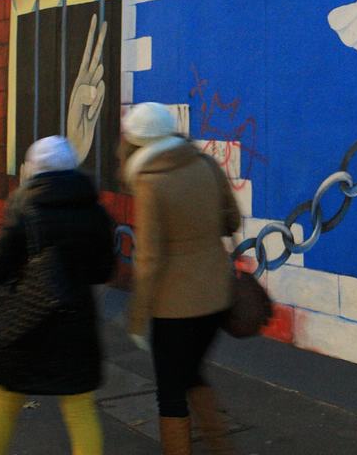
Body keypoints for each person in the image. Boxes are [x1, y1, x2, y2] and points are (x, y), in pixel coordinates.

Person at [0, 135, 116, 455]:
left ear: (33, 169)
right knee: (79, 407)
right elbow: (102, 271)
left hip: (26, 322)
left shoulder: (24, 209)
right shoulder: (95, 212)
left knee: (3, 400)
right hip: (76, 322)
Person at [122, 102, 240, 455]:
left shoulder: (150, 182)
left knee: (171, 392)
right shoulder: (205, 163)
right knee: (191, 373)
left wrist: (137, 318)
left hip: (174, 307)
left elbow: (149, 258)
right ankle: (221, 447)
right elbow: (232, 221)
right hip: (217, 296)